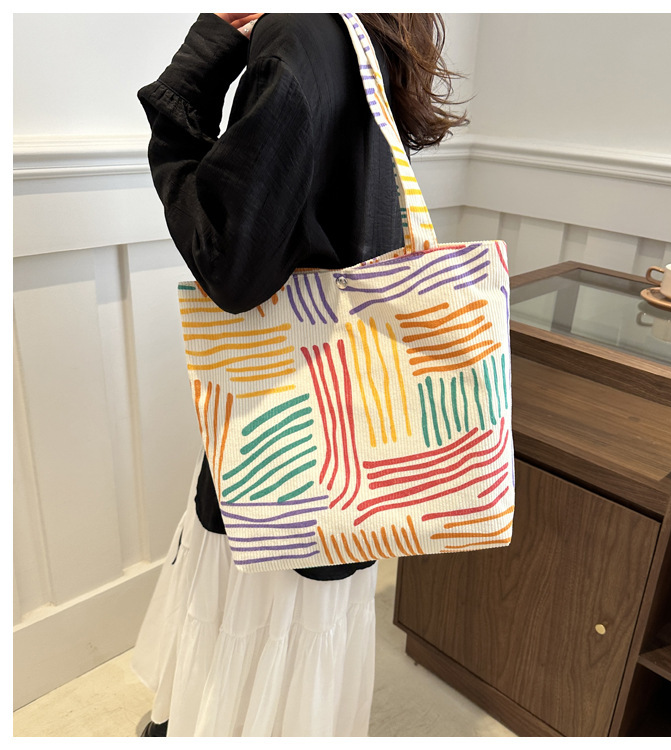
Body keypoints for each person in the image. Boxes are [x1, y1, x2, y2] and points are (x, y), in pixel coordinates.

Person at [132, 12, 468, 737]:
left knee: (253, 611)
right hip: (353, 433)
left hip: (283, 431)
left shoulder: (298, 33)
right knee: (298, 623)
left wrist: (198, 70)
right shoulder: (369, 33)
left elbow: (230, 261)